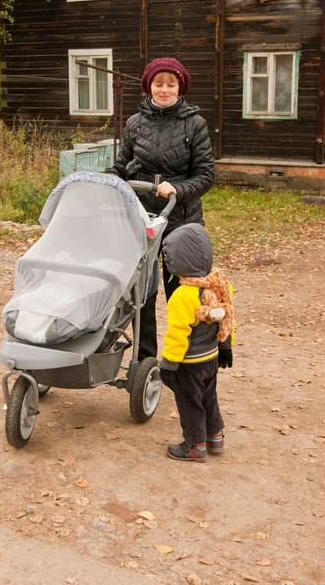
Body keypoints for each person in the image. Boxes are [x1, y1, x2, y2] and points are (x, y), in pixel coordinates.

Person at [112, 57, 215, 361]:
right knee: (141, 294)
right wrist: (111, 179)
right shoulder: (135, 123)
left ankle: (185, 359)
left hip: (180, 220)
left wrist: (177, 189)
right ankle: (145, 364)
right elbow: (120, 168)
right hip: (140, 217)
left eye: (171, 83)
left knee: (181, 293)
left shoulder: (194, 123)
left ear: (180, 86)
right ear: (149, 86)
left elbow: (206, 175)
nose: (165, 89)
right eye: (159, 83)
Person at [158, 223, 235, 462]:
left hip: (189, 363)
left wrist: (169, 365)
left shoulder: (183, 295)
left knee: (190, 402)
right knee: (208, 397)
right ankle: (215, 437)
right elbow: (227, 318)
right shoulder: (220, 284)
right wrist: (226, 346)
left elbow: (178, 333)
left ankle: (195, 445)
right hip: (211, 357)